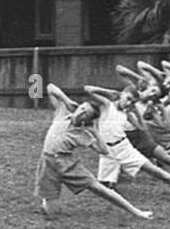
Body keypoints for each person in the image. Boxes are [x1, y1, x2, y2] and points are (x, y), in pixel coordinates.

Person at [35, 84, 152, 220]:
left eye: (86, 114)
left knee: (100, 189)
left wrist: (95, 132)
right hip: (47, 163)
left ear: (88, 120)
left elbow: (104, 151)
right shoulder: (62, 112)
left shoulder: (84, 134)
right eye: (82, 108)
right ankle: (47, 205)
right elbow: (50, 87)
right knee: (52, 214)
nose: (82, 112)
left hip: (67, 164)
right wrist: (66, 100)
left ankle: (137, 212)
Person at [85, 86, 170, 201]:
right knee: (104, 189)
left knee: (155, 171)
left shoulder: (127, 113)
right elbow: (88, 89)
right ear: (122, 94)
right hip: (107, 152)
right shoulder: (107, 105)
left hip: (124, 148)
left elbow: (142, 127)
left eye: (133, 102)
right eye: (128, 99)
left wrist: (136, 112)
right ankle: (112, 185)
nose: (129, 103)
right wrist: (109, 92)